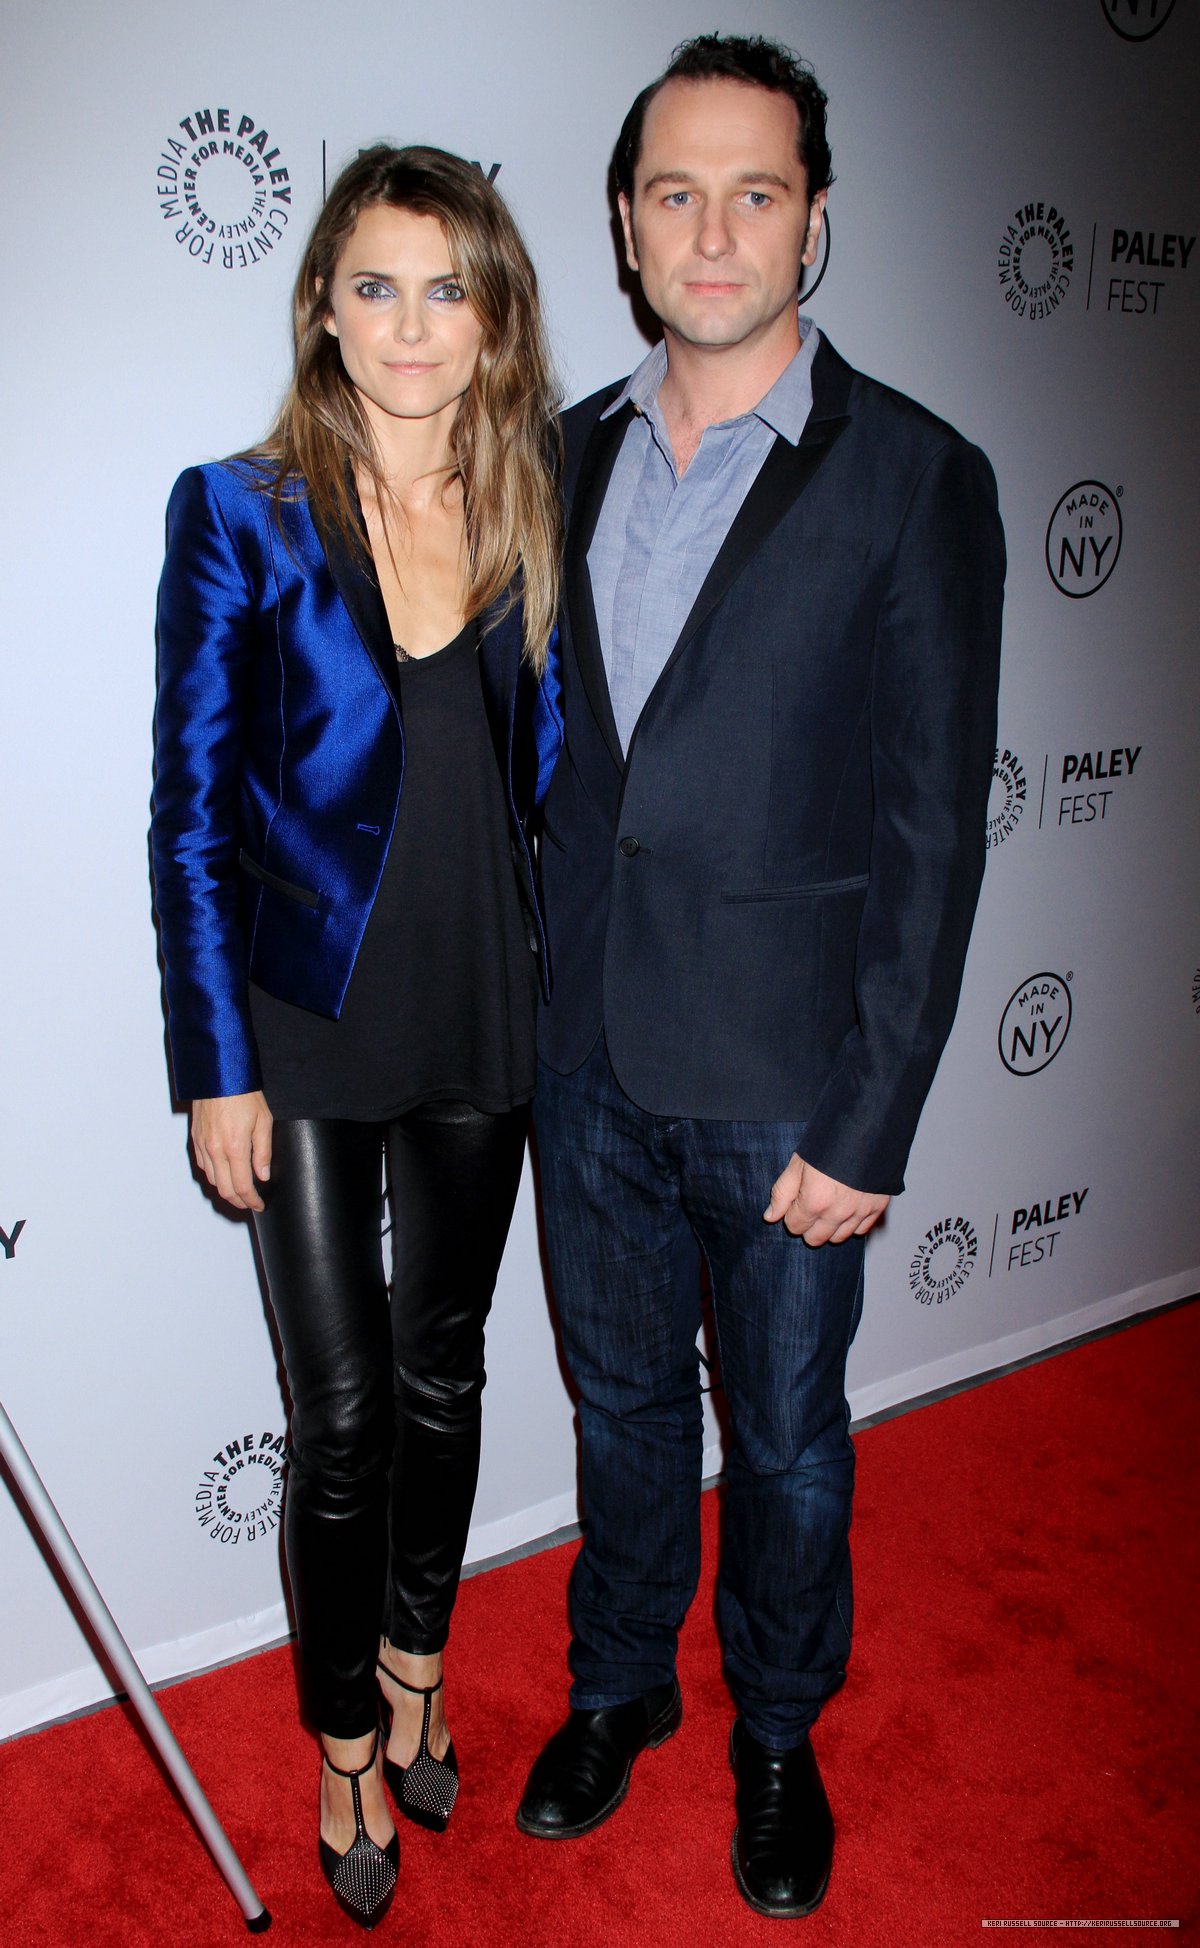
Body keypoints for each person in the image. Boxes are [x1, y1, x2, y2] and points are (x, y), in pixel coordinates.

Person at [516, 34, 1004, 1921]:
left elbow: (932, 832)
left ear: (816, 224)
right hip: (588, 1057)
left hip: (791, 1083)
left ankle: (779, 1735)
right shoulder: (557, 455)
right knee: (620, 1406)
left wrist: (873, 1115)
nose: (711, 229)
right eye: (674, 192)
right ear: (630, 232)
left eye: (755, 190)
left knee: (787, 1435)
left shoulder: (917, 479)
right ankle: (621, 1685)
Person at [151, 144, 562, 1931]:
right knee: (336, 1414)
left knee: (447, 1370)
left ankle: (416, 1662)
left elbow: (550, 777)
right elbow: (187, 812)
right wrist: (211, 1058)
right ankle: (339, 1748)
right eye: (376, 283)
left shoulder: (540, 491)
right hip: (306, 1027)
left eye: (447, 285)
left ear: (493, 315)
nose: (412, 322)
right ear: (323, 301)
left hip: (485, 998)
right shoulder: (240, 507)